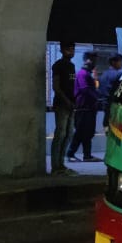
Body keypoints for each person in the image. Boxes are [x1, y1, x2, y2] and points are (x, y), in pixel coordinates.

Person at [67, 52, 101, 162]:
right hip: (83, 108)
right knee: (80, 132)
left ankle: (87, 155)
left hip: (89, 108)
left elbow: (92, 87)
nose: (94, 62)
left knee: (88, 133)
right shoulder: (82, 73)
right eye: (92, 59)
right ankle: (70, 153)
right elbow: (84, 89)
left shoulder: (88, 73)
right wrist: (96, 97)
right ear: (87, 60)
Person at [49, 42, 76, 176]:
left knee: (69, 133)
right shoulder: (58, 66)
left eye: (72, 49)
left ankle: (61, 164)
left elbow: (72, 86)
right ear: (62, 50)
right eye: (68, 49)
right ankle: (55, 166)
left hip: (71, 105)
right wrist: (67, 101)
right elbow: (56, 87)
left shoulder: (72, 66)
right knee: (60, 134)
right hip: (61, 104)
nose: (71, 52)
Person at [99, 53, 122, 132]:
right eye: (120, 61)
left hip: (105, 105)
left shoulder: (103, 74)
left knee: (107, 128)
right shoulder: (119, 74)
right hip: (114, 106)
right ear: (113, 62)